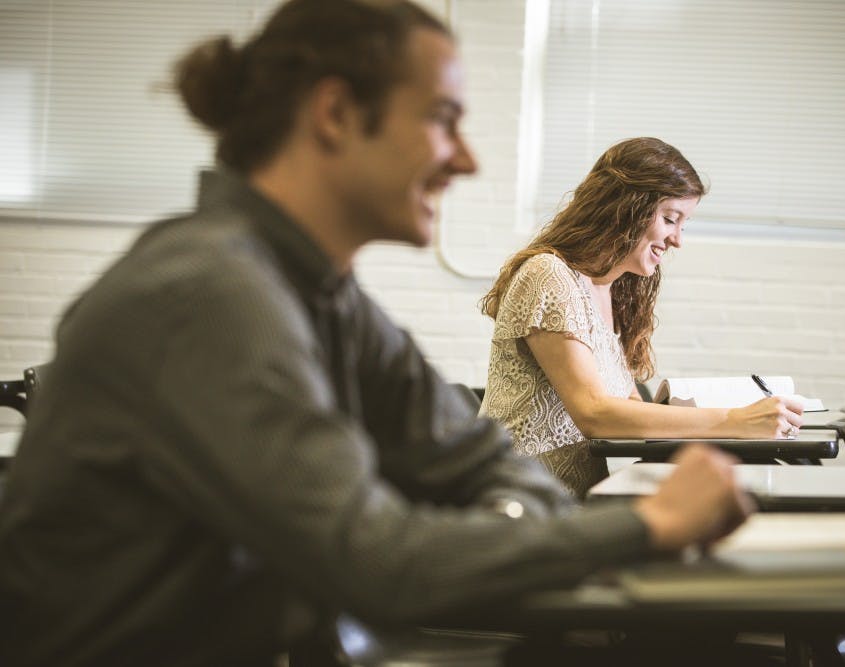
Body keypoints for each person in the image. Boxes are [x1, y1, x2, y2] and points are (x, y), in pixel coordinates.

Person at [0, 2, 753, 665]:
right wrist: (644, 525)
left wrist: (514, 518)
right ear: (334, 113)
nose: (466, 158)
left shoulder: (319, 290)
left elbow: (476, 453)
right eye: (443, 120)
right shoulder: (209, 294)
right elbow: (374, 558)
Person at [480, 138, 804, 497]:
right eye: (670, 219)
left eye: (684, 224)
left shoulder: (609, 289)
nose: (677, 240)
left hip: (569, 498)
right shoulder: (548, 274)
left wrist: (734, 414)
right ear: (624, 209)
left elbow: (628, 407)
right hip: (516, 498)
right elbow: (595, 414)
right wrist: (735, 422)